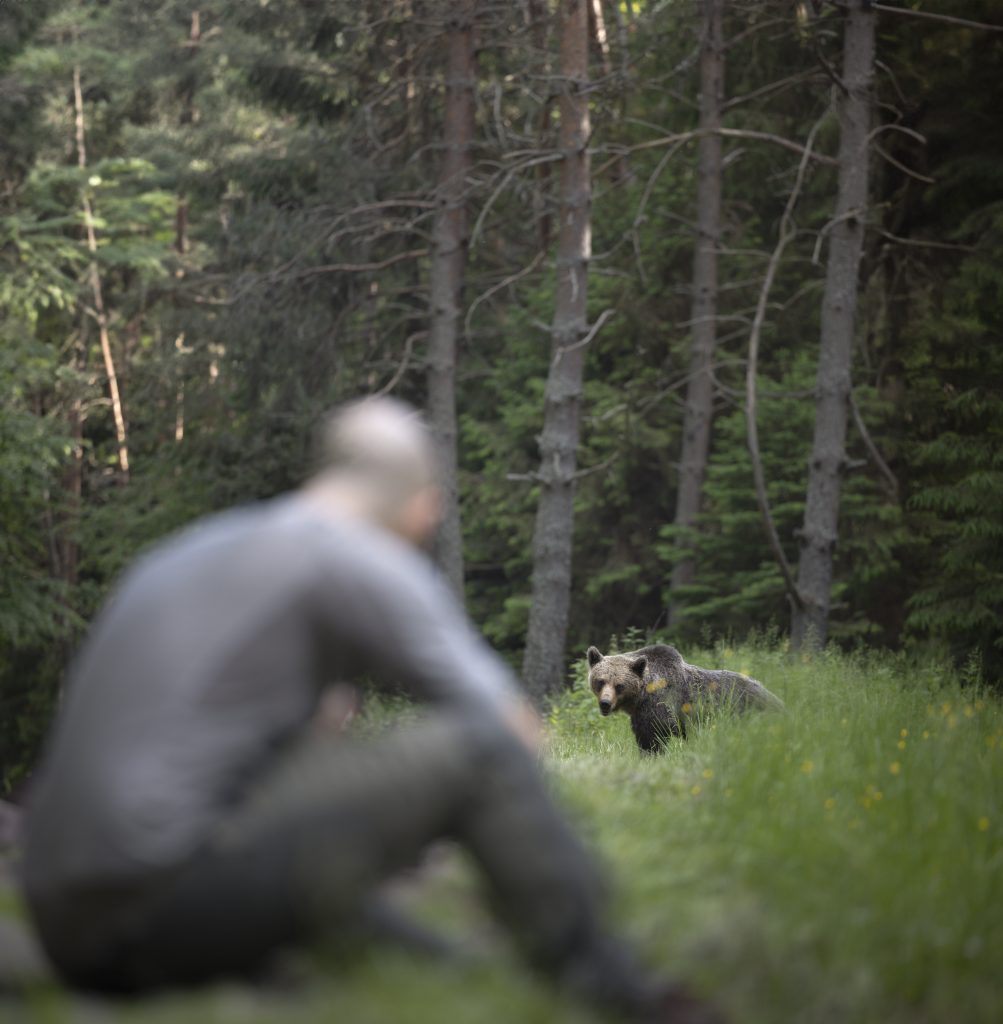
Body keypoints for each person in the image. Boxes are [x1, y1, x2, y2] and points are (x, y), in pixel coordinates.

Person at [20, 398, 721, 1022]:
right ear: (423, 506)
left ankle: (452, 975)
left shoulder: (193, 550)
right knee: (474, 751)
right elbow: (511, 732)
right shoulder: (350, 553)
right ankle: (615, 989)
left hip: (65, 920)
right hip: (156, 905)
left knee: (372, 901)